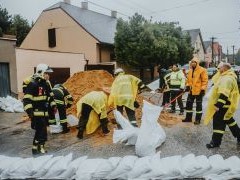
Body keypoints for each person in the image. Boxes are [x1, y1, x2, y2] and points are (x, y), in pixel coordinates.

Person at [22, 63, 56, 155]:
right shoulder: (33, 84)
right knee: (42, 132)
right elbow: (26, 99)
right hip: (36, 113)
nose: (48, 75)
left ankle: (35, 148)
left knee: (40, 131)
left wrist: (53, 105)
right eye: (47, 73)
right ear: (41, 72)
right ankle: (40, 148)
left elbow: (50, 96)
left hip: (44, 113)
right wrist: (30, 112)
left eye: (49, 74)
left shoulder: (46, 84)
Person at [204, 63, 240, 148]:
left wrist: (218, 105)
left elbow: (224, 94)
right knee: (229, 121)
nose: (218, 70)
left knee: (218, 123)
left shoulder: (227, 79)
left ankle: (215, 142)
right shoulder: (227, 77)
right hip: (226, 105)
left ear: (224, 68)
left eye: (219, 68)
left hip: (223, 105)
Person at [183, 57, 208, 124]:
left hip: (199, 91)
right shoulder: (190, 71)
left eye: (194, 62)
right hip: (191, 91)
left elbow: (205, 81)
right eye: (192, 62)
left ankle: (197, 119)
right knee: (188, 104)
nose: (193, 63)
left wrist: (203, 89)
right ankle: (188, 118)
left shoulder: (202, 70)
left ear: (197, 63)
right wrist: (188, 86)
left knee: (198, 105)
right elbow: (188, 80)